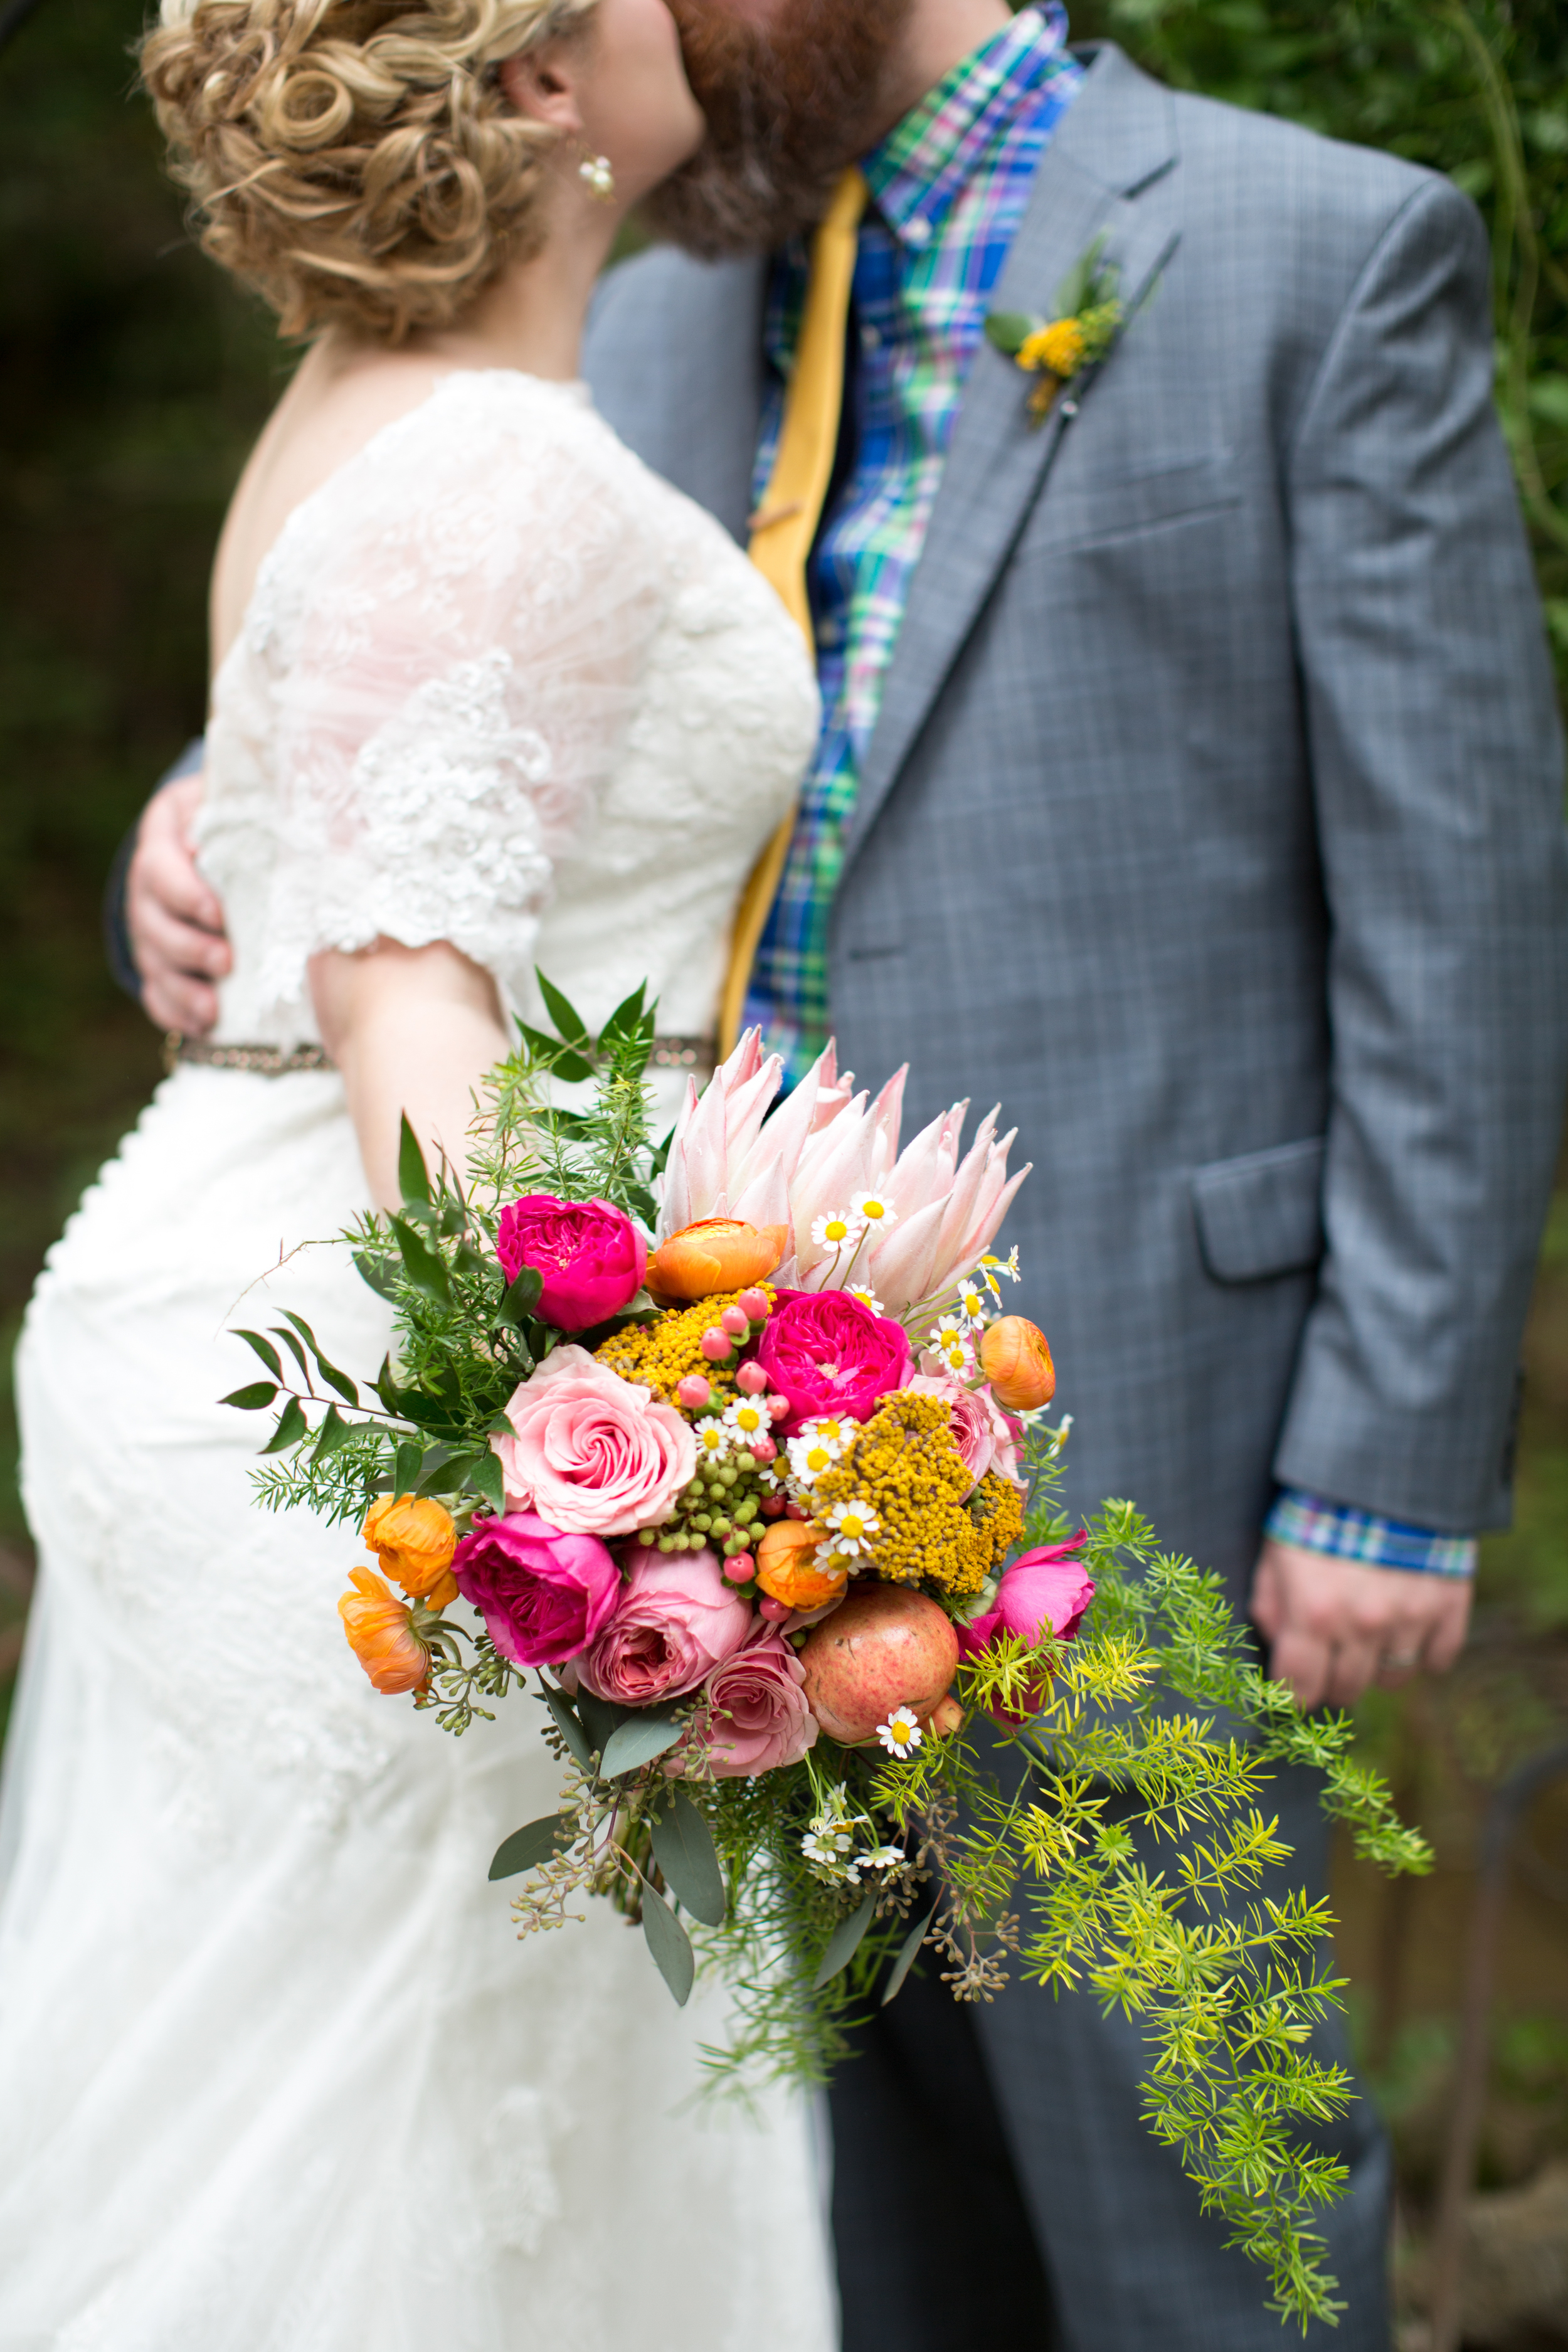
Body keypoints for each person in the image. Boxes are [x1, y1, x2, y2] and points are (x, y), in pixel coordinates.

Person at [114, 0, 1568, 2346]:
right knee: (847, 2239)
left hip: (1136, 1425)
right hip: (710, 1486)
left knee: (1192, 2230)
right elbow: (419, 700)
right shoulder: (643, 294)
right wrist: (196, 837)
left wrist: (1390, 1472)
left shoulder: (1314, 249)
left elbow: (1457, 893)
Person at [0, 3, 837, 2344]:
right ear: (547, 84)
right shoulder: (496, 461)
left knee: (273, 2078)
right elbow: (403, 989)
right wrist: (600, 1453)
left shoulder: (369, 409)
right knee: (371, 2118)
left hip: (254, 1263)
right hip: (393, 1345)